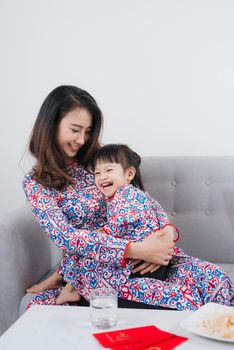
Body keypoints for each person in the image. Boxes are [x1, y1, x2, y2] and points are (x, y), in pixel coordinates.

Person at [24, 85, 234, 310]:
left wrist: (166, 234)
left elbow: (142, 200)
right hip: (103, 269)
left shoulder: (102, 160)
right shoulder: (37, 183)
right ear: (51, 124)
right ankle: (71, 285)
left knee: (217, 280)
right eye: (75, 130)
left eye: (88, 131)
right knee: (183, 300)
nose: (82, 140)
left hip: (150, 252)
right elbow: (66, 237)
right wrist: (135, 249)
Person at [27, 143, 178, 305]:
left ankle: (70, 288)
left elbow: (120, 224)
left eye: (109, 171)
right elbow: (152, 208)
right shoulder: (126, 193)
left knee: (91, 250)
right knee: (88, 247)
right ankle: (65, 282)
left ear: (129, 174)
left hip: (143, 265)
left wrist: (104, 232)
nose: (102, 177)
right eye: (97, 173)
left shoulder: (126, 195)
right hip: (139, 256)